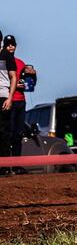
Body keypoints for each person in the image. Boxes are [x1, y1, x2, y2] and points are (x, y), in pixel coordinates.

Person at [3, 36, 32, 172]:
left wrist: (31, 77)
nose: (10, 47)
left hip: (21, 101)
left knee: (18, 134)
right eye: (8, 44)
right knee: (7, 134)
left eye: (12, 44)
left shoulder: (21, 63)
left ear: (15, 46)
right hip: (9, 101)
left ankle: (16, 164)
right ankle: (6, 165)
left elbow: (28, 84)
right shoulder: (3, 60)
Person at [0, 34, 17, 173]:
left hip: (3, 96)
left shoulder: (6, 54)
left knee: (3, 132)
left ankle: (5, 167)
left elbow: (13, 77)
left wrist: (10, 98)